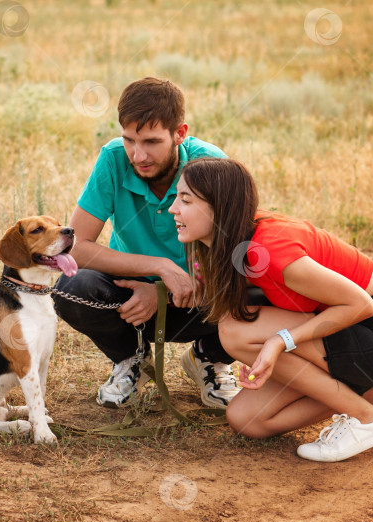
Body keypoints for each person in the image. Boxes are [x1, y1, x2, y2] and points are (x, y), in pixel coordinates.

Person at [168, 157, 373, 462]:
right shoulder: (232, 245)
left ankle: (365, 419)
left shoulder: (271, 249)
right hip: (348, 333)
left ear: (220, 207)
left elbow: (361, 305)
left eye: (186, 199)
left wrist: (280, 341)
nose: (173, 208)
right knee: (246, 419)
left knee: (235, 330)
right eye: (176, 197)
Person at [54, 77, 242, 409]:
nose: (138, 155)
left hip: (199, 296)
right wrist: (158, 269)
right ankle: (131, 359)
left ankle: (209, 358)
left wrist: (161, 294)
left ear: (180, 133)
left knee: (257, 284)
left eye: (152, 141)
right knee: (71, 285)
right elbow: (76, 246)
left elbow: (233, 259)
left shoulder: (210, 165)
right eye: (129, 140)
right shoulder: (113, 158)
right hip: (128, 298)